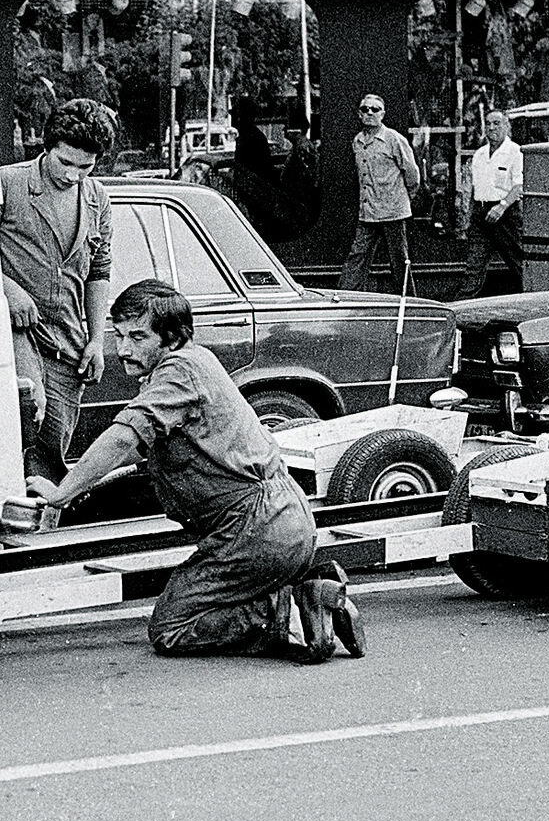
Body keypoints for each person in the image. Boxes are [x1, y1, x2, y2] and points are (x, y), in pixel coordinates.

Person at [25, 279, 363, 663]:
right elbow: (136, 451)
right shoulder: (196, 361)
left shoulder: (179, 372)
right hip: (279, 520)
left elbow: (123, 439)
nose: (122, 349)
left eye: (138, 337)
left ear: (171, 338)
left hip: (257, 528)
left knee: (171, 629)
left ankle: (293, 610)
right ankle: (302, 588)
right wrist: (79, 487)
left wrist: (62, 491)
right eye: (118, 336)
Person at [0, 98, 116, 483]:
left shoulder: (97, 198)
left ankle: (43, 526)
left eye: (86, 166)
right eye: (66, 163)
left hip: (67, 341)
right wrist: (6, 287)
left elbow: (99, 271)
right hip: (13, 333)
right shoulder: (5, 183)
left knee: (53, 442)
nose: (74, 175)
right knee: (25, 417)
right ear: (46, 147)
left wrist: (97, 339)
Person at [339, 93, 420, 295]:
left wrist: (402, 198)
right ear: (359, 114)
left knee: (399, 260)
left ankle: (409, 302)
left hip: (393, 212)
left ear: (382, 114)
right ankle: (347, 297)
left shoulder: (394, 139)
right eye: (365, 109)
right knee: (357, 255)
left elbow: (412, 174)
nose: (369, 113)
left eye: (374, 109)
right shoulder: (357, 141)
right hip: (368, 212)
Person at [453, 109, 524, 300]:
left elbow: (519, 186)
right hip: (481, 213)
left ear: (507, 126)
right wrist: (467, 216)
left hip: (506, 214)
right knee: (473, 268)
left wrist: (502, 206)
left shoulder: (515, 152)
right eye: (489, 124)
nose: (491, 128)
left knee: (519, 263)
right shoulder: (480, 154)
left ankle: (536, 302)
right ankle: (459, 311)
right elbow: (473, 187)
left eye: (497, 123)